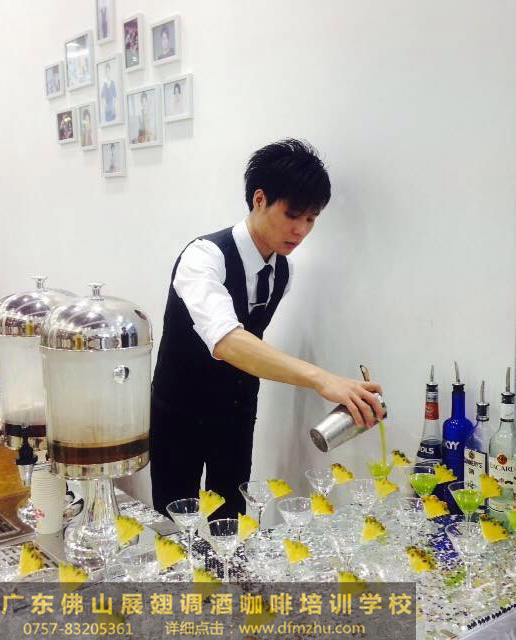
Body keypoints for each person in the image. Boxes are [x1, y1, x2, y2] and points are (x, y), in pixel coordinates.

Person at [150, 139, 385, 520]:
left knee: (232, 519)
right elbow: (227, 341)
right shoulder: (203, 257)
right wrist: (321, 379)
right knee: (176, 522)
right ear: (260, 199)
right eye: (293, 215)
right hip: (180, 411)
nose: (301, 230)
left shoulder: (283, 271)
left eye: (311, 219)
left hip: (237, 411)